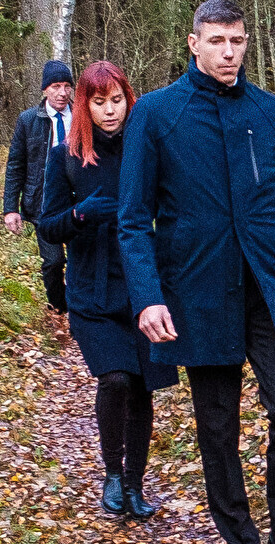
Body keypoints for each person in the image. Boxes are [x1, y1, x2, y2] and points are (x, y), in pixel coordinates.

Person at [120, 0, 275, 544]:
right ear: (194, 43)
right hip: (199, 293)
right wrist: (148, 297)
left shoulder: (271, 112)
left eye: (238, 40)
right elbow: (133, 218)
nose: (229, 52)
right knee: (217, 428)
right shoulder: (157, 114)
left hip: (271, 289)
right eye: (217, 41)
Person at [37, 59, 174, 520]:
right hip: (92, 290)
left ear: (129, 100)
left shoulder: (146, 149)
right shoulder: (67, 157)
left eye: (117, 100)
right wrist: (80, 214)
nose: (111, 111)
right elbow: (48, 225)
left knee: (141, 387)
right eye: (100, 103)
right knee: (116, 378)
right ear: (85, 105)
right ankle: (113, 474)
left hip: (143, 287)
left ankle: (135, 483)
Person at [4, 58, 74, 314]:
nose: (62, 92)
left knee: (81, 260)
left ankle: (80, 308)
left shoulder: (82, 116)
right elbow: (15, 165)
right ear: (45, 89)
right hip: (43, 204)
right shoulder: (28, 120)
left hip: (77, 203)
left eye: (67, 86)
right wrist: (10, 208)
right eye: (56, 86)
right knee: (53, 261)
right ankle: (58, 307)